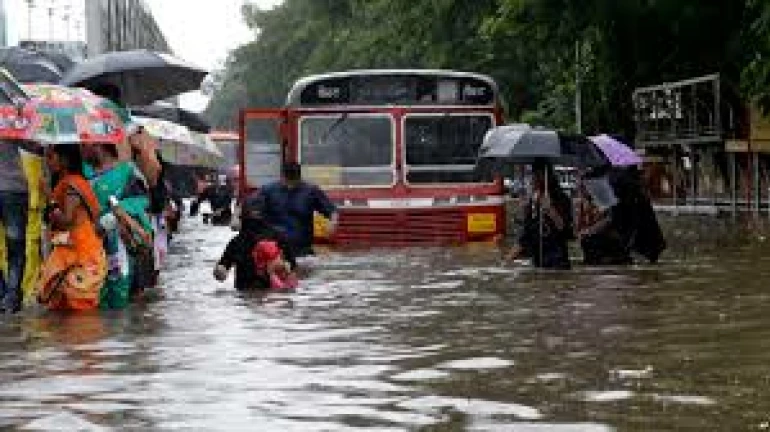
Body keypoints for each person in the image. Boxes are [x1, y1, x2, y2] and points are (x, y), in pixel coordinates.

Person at [82, 143, 154, 309]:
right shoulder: (82, 173)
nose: (82, 149)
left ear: (99, 146)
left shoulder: (128, 171)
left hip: (119, 244)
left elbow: (142, 201)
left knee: (118, 293)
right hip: (88, 244)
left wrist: (114, 215)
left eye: (85, 145)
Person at [37, 145, 107, 311]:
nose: (48, 162)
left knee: (77, 309)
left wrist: (49, 197)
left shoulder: (72, 184)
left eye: (51, 157)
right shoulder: (72, 182)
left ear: (65, 160)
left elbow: (67, 220)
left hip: (79, 252)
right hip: (77, 248)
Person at [213, 194, 297, 291]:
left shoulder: (236, 241)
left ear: (243, 216)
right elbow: (292, 266)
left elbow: (221, 274)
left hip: (244, 296)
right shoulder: (279, 237)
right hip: (273, 296)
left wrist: (218, 271)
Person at [254, 163, 337, 256]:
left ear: (299, 178)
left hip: (302, 247)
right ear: (282, 177)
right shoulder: (268, 190)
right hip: (274, 249)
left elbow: (331, 210)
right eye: (288, 182)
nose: (291, 186)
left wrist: (333, 223)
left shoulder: (311, 191)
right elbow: (252, 208)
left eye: (294, 183)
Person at [507, 160, 573, 269]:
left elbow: (566, 231)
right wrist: (508, 260)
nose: (532, 179)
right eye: (532, 175)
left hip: (557, 261)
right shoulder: (532, 201)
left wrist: (551, 210)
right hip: (538, 261)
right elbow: (526, 235)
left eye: (536, 175)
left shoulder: (561, 199)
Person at [0, 141, 35, 313]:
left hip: (13, 188)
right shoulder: (11, 118)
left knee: (15, 247)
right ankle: (11, 297)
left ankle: (4, 294)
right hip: (14, 189)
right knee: (15, 247)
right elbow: (34, 147)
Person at [575, 172, 632, 266]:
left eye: (582, 185)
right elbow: (578, 228)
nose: (580, 187)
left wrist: (590, 230)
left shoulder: (604, 196)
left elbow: (609, 219)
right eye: (579, 184)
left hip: (608, 245)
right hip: (591, 248)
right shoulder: (582, 203)